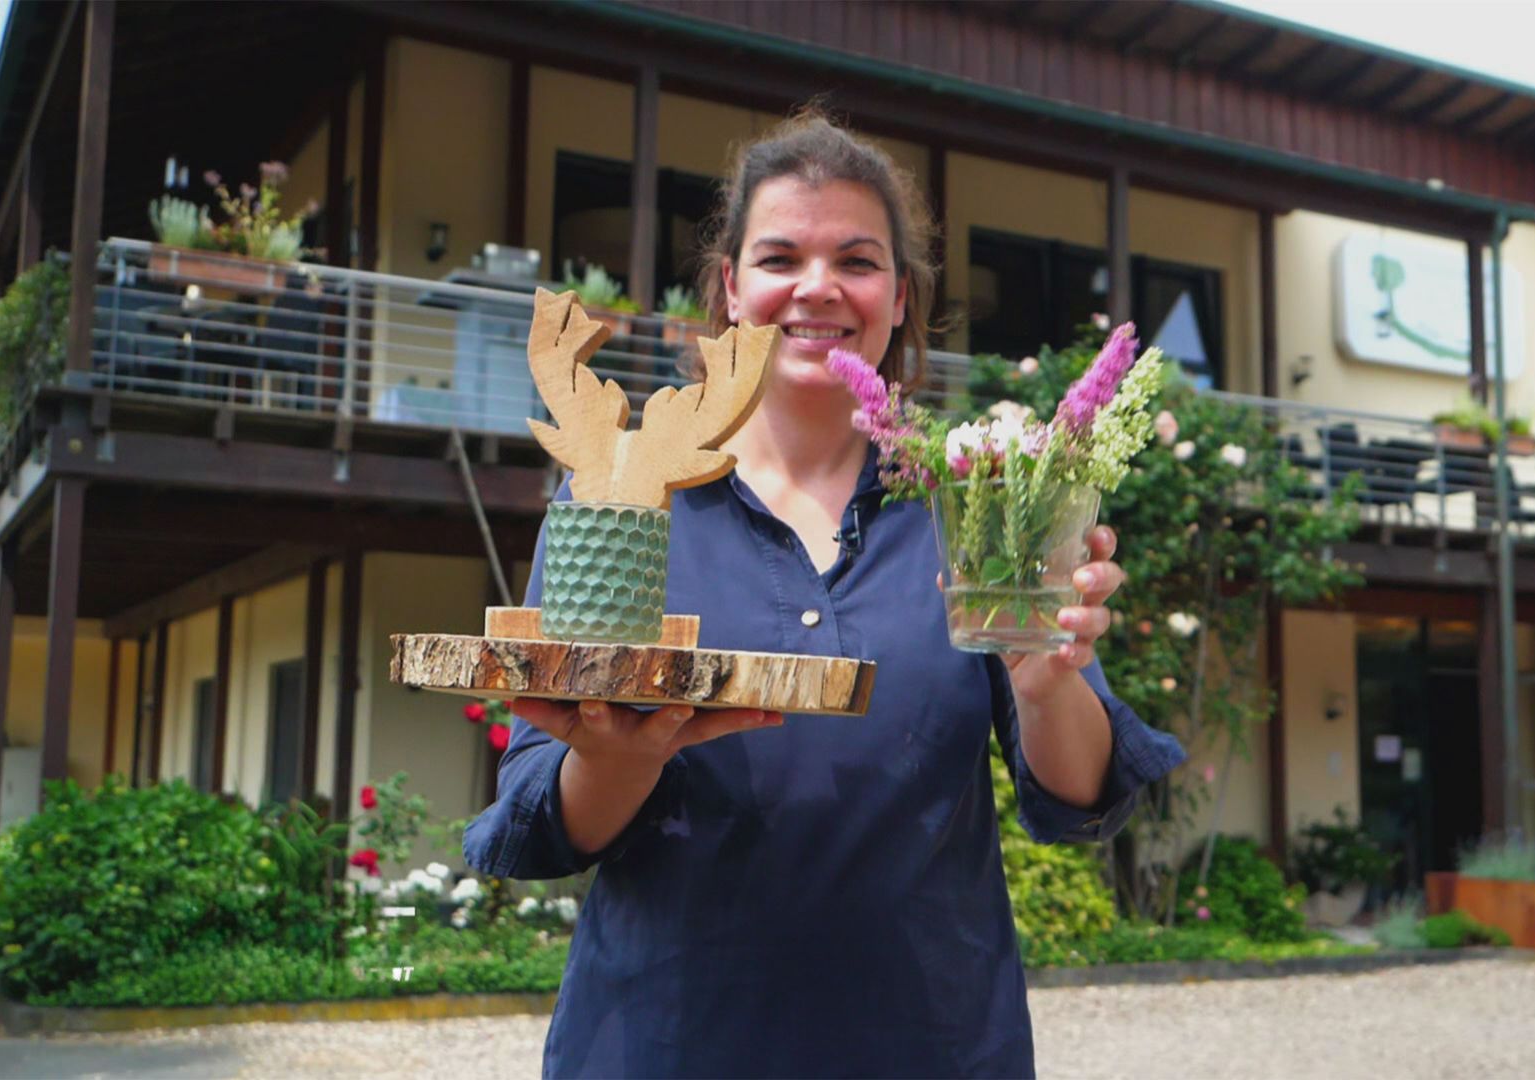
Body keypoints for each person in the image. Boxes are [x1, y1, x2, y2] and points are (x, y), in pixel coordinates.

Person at [464, 109, 1185, 1079]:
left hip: (932, 1051)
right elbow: (541, 818)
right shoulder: (623, 494)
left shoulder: (978, 498)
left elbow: (1076, 800)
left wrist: (1048, 682)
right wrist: (617, 763)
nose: (818, 286)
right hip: (664, 1047)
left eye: (857, 260)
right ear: (730, 286)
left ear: (899, 295)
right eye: (779, 257)